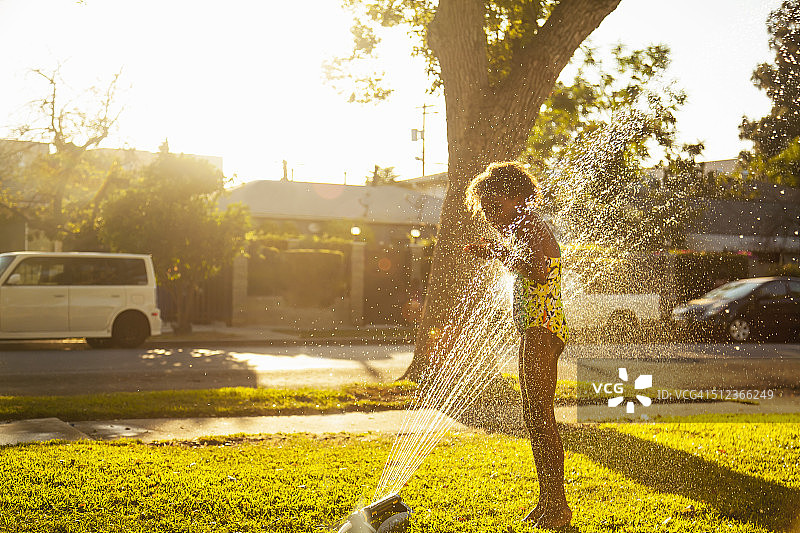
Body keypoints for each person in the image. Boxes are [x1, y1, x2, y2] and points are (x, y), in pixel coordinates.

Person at [463, 161, 571, 528]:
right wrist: (498, 252)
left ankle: (557, 506)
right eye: (486, 210)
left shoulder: (531, 226)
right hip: (534, 328)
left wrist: (496, 253)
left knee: (541, 417)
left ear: (519, 199)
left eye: (495, 207)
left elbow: (539, 271)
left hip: (543, 328)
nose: (491, 217)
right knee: (535, 418)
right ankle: (548, 502)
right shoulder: (523, 228)